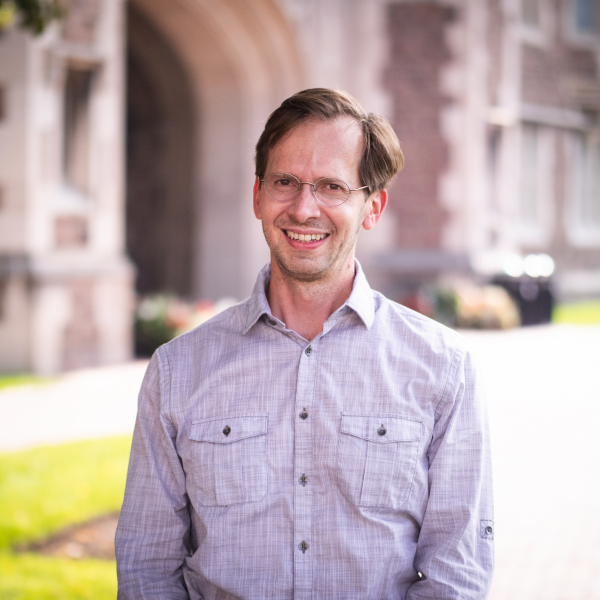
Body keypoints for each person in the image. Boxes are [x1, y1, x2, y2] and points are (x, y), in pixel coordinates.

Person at [115, 88, 494, 599]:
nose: (303, 207)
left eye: (332, 186)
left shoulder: (443, 368)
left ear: (372, 207)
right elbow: (146, 566)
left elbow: (458, 571)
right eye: (285, 182)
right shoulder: (178, 370)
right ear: (257, 195)